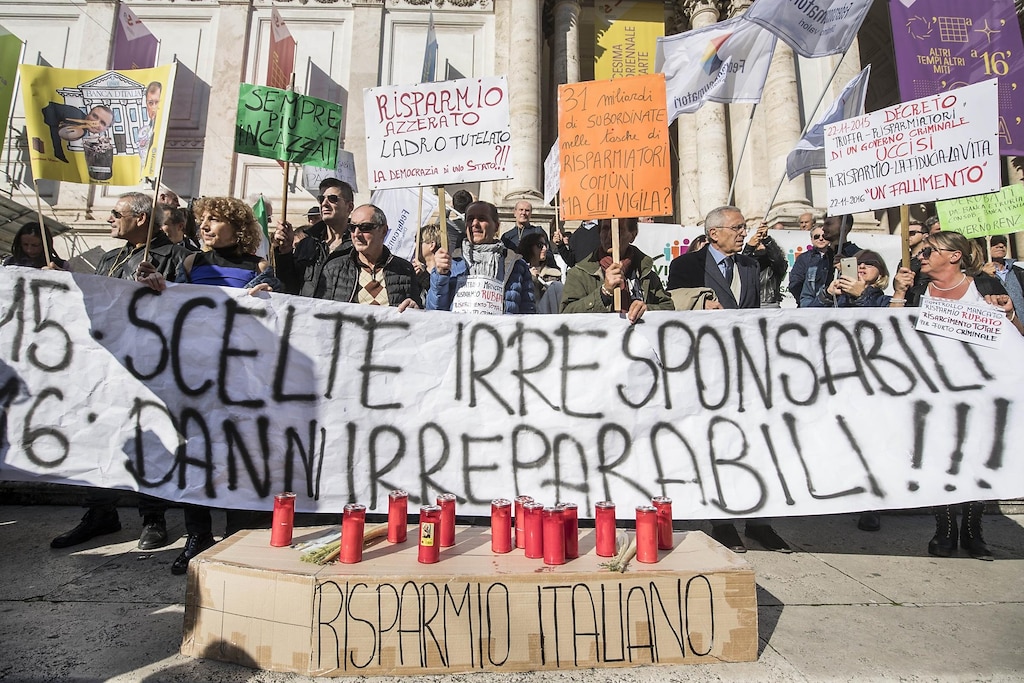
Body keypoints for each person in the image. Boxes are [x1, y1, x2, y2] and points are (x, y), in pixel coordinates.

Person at [50, 193, 185, 552]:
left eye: (116, 213)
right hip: (106, 361)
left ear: (140, 218)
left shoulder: (174, 255)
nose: (109, 218)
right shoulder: (110, 258)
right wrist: (60, 282)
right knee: (97, 433)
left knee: (148, 437)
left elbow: (189, 305)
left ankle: (153, 517)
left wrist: (163, 286)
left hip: (150, 365)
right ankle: (99, 512)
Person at [891, 231, 1023, 560]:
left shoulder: (985, 286)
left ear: (954, 256)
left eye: (929, 251)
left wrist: (1007, 313)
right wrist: (897, 293)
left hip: (979, 391)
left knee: (977, 459)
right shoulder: (919, 288)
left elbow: (1017, 334)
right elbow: (890, 330)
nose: (921, 256)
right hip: (931, 391)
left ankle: (973, 531)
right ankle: (945, 529)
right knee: (939, 459)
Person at [426, 200, 536, 314]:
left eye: (482, 218)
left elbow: (528, 314)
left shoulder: (517, 265)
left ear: (496, 226)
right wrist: (440, 276)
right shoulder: (451, 262)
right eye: (470, 219)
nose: (475, 224)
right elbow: (434, 310)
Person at [560, 217, 673, 324]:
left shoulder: (645, 271)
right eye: (605, 228)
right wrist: (603, 293)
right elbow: (565, 316)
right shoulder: (579, 273)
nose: (610, 234)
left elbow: (669, 308)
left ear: (633, 235)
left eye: (618, 229)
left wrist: (647, 310)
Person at [315, 203, 420, 309]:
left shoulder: (404, 269)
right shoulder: (333, 269)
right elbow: (321, 312)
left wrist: (415, 309)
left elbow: (417, 312)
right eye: (352, 227)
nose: (356, 234)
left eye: (365, 227)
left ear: (383, 231)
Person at [667, 205, 760, 309]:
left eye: (744, 227)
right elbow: (673, 301)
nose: (744, 233)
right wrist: (700, 304)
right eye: (736, 228)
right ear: (714, 234)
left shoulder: (751, 265)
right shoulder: (685, 265)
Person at [274, 178, 354, 296]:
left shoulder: (358, 245)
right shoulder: (306, 244)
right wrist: (285, 252)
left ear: (349, 207)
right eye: (321, 199)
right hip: (306, 313)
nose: (324, 204)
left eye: (332, 199)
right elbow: (289, 287)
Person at [795, 214, 861, 307]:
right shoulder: (817, 259)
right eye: (824, 224)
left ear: (844, 227)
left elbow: (863, 294)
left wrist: (847, 268)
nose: (824, 228)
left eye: (829, 224)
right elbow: (807, 295)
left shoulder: (859, 256)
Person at [741, 222, 788, 307]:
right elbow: (740, 267)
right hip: (750, 304)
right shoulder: (751, 263)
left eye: (763, 244)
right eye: (758, 243)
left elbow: (777, 259)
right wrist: (749, 247)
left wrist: (766, 239)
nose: (761, 245)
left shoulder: (775, 265)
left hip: (769, 304)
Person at [519, 231, 563, 314]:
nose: (544, 249)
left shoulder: (553, 274)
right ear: (529, 247)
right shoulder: (519, 273)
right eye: (540, 245)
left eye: (545, 245)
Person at [3, 222, 67, 269]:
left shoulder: (61, 265)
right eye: (25, 245)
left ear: (45, 244)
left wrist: (60, 274)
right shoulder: (10, 262)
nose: (29, 250)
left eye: (35, 245)